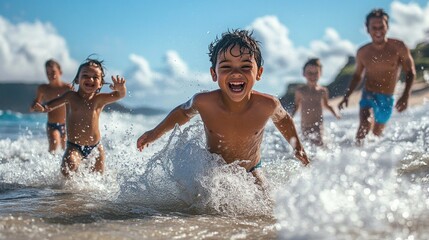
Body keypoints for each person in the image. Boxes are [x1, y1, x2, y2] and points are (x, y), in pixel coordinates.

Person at [136, 29, 310, 185]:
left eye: (245, 66)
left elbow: (283, 119)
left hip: (251, 169)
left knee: (267, 208)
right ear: (214, 74)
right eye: (226, 66)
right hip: (214, 172)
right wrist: (154, 134)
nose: (236, 73)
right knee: (201, 207)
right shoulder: (204, 102)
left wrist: (298, 147)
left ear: (259, 73)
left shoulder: (267, 105)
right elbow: (182, 112)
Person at [33, 58, 126, 177]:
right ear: (77, 79)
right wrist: (43, 108)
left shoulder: (99, 99)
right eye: (85, 75)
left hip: (96, 148)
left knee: (97, 180)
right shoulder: (71, 96)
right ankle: (67, 195)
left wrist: (121, 88)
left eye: (95, 77)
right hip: (74, 146)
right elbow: (52, 104)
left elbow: (120, 95)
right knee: (67, 169)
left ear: (101, 83)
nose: (90, 79)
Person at [338, 8, 415, 145]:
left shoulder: (398, 47)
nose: (378, 30)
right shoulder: (363, 52)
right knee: (364, 124)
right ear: (367, 29)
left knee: (376, 135)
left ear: (387, 27)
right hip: (369, 94)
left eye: (381, 26)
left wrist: (405, 95)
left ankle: (370, 160)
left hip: (387, 97)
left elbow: (410, 71)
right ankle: (356, 156)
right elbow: (357, 76)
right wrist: (347, 96)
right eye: (374, 27)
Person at [292, 58, 340, 146]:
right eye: (310, 73)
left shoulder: (323, 91)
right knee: (306, 146)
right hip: (305, 126)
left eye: (316, 73)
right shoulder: (300, 91)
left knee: (319, 143)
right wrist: (290, 117)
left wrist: (335, 113)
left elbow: (327, 104)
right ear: (304, 74)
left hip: (318, 125)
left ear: (320, 74)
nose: (313, 76)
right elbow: (296, 106)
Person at [30, 59, 73, 153]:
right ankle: (48, 166)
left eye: (53, 72)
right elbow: (37, 101)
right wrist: (34, 106)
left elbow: (75, 104)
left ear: (60, 72)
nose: (50, 75)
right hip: (52, 125)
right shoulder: (43, 88)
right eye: (47, 73)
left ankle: (60, 167)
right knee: (54, 143)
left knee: (66, 149)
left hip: (67, 125)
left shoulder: (67, 88)